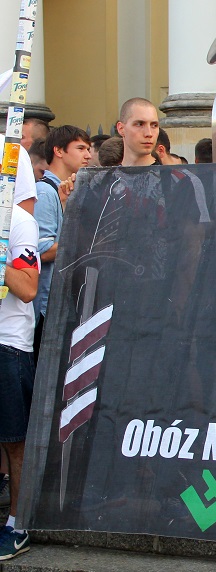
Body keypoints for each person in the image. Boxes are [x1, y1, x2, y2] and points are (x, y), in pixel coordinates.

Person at [0, 191, 40, 561]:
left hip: (8, 342)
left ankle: (18, 524)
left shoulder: (19, 221)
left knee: (15, 441)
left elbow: (28, 288)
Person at [33, 126, 89, 361]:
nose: (88, 155)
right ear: (58, 151)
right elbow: (42, 250)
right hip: (47, 306)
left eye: (88, 149)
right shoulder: (46, 192)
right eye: (80, 148)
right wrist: (85, 243)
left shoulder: (64, 190)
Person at [116, 98, 160, 167]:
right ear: (121, 128)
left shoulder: (169, 174)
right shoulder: (107, 174)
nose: (149, 133)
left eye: (154, 125)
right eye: (139, 124)